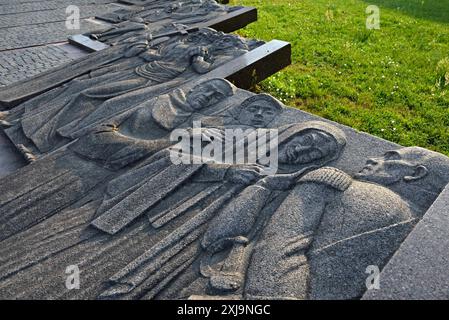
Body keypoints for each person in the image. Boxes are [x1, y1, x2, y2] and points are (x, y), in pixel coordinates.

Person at [244, 147, 449, 299]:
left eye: (390, 157)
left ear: (415, 174)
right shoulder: (433, 243)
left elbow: (279, 244)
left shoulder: (336, 182)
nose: (372, 157)